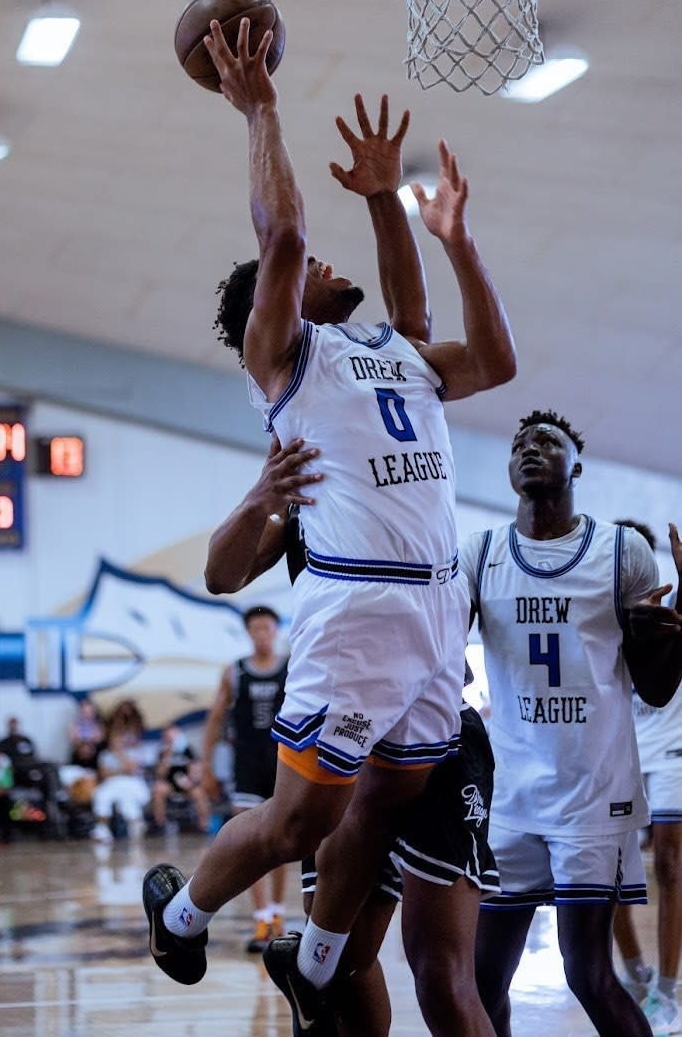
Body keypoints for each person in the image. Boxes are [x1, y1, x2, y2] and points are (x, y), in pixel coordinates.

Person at [143, 14, 516, 1033]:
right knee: (307, 815)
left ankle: (311, 961)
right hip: (356, 614)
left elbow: (481, 357)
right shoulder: (293, 363)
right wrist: (260, 109)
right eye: (308, 272)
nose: (322, 261)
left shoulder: (397, 355)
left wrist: (427, 221)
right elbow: (288, 238)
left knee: (384, 803)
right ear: (285, 305)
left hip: (437, 617)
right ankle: (180, 913)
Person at [205, 435, 500, 1036]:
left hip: (437, 738)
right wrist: (262, 495)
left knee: (440, 974)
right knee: (338, 969)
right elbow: (220, 574)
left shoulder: (409, 476)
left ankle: (187, 915)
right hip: (348, 734)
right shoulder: (302, 511)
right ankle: (191, 915)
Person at [461, 410, 682, 1037]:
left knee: (587, 973)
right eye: (519, 444)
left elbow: (658, 690)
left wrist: (673, 640)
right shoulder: (480, 553)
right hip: (512, 797)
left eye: (548, 441)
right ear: (508, 470)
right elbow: (442, 647)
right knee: (481, 981)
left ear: (576, 465)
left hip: (593, 797)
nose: (531, 449)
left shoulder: (621, 552)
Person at [613, 519, 682, 1035]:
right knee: (607, 873)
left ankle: (667, 988)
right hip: (618, 753)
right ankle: (636, 976)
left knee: (670, 866)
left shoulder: (671, 603)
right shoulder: (598, 610)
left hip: (672, 751)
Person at [200, 605, 289, 953]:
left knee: (282, 845)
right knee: (251, 844)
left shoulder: (292, 667)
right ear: (248, 632)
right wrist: (205, 764)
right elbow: (215, 718)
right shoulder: (234, 672)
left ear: (275, 629)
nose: (261, 634)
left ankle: (278, 915)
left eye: (266, 627)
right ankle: (262, 918)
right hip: (247, 766)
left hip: (285, 763)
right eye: (255, 628)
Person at [90, 720, 151, 844]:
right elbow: (104, 774)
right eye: (114, 739)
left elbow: (132, 769)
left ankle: (135, 827)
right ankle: (103, 829)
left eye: (119, 738)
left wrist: (119, 755)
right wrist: (121, 770)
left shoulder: (134, 751)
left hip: (131, 783)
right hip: (112, 783)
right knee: (101, 795)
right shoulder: (105, 755)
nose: (117, 741)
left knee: (128, 800)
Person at [150, 723, 210, 837]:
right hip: (170, 783)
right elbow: (160, 773)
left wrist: (189, 780)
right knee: (158, 790)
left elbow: (196, 769)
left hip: (187, 783)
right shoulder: (162, 751)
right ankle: (160, 823)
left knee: (199, 793)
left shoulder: (188, 750)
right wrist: (168, 755)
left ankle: (204, 825)